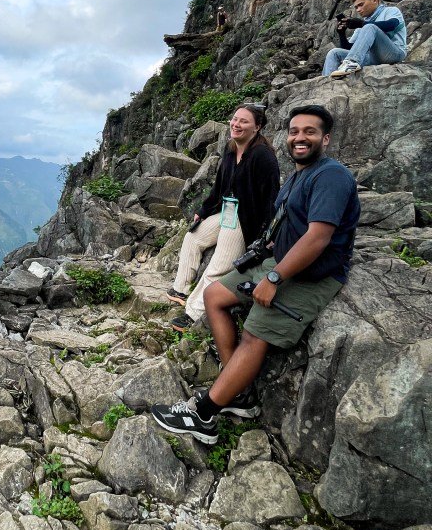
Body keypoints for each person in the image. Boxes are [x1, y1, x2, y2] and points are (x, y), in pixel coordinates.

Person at [153, 104, 360, 443]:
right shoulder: (298, 176)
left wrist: (274, 278)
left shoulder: (331, 175)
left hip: (311, 275)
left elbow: (318, 236)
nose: (299, 138)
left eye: (309, 132)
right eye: (294, 131)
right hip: (277, 259)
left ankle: (204, 415)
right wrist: (262, 254)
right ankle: (236, 391)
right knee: (214, 295)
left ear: (326, 138)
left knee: (254, 333)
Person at [167, 104, 280, 331]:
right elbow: (218, 189)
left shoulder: (263, 156)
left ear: (257, 127)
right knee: (193, 237)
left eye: (244, 121)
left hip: (247, 220)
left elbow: (271, 198)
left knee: (219, 265)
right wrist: (203, 211)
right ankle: (181, 289)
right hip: (227, 212)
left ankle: (193, 313)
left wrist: (267, 235)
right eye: (235, 119)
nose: (236, 124)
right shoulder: (230, 150)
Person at [323, 0, 407, 78]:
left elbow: (391, 25)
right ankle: (327, 81)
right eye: (356, 7)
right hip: (373, 57)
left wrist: (362, 23)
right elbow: (351, 49)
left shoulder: (390, 11)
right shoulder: (364, 24)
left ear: (375, 0)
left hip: (395, 53)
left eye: (361, 5)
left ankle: (352, 63)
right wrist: (342, 34)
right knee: (334, 53)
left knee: (370, 27)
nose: (358, 10)